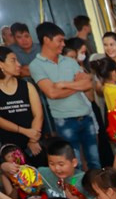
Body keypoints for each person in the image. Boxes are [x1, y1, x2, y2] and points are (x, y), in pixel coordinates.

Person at [29, 22, 100, 172]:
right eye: (59, 40)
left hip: (86, 117)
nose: (63, 44)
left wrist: (62, 84)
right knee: (74, 165)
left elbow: (87, 84)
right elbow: (52, 93)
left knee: (95, 162)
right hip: (65, 121)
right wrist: (74, 85)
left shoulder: (69, 61)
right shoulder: (36, 65)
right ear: (47, 40)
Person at [0, 46, 43, 161]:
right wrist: (25, 131)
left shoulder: (27, 86)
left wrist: (32, 140)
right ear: (1, 64)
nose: (19, 64)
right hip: (7, 147)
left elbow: (38, 114)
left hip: (33, 143)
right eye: (13, 60)